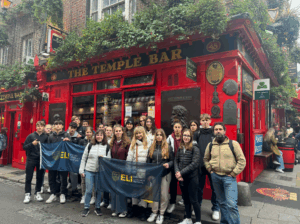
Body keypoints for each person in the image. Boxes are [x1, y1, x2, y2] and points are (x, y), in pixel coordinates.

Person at [203, 122, 246, 224]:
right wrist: (210, 170)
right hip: (215, 177)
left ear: (224, 131)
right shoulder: (210, 145)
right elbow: (205, 159)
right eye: (216, 129)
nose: (218, 131)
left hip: (229, 178)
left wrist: (233, 173)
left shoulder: (233, 144)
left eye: (220, 129)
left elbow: (242, 161)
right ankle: (225, 222)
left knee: (231, 205)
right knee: (222, 203)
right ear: (213, 132)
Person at [193, 114, 220, 221]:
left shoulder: (214, 132)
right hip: (200, 165)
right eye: (203, 120)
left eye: (207, 120)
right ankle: (197, 207)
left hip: (212, 165)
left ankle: (216, 209)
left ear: (210, 120)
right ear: (200, 121)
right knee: (199, 187)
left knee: (214, 187)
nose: (205, 122)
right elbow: (194, 149)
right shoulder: (197, 133)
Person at [79, 129, 111, 217]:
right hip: (89, 170)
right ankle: (86, 207)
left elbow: (109, 159)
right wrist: (81, 170)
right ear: (95, 136)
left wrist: (103, 157)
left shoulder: (107, 146)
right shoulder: (90, 145)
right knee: (88, 190)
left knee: (98, 191)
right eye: (97, 135)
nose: (99, 137)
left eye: (101, 135)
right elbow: (84, 158)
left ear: (103, 136)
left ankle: (97, 207)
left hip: (100, 172)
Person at [147, 129, 174, 224]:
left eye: (160, 135)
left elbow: (172, 161)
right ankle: (154, 212)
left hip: (165, 174)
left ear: (163, 136)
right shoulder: (151, 147)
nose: (158, 136)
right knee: (154, 194)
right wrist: (149, 174)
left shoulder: (168, 147)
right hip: (154, 174)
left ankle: (161, 213)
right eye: (157, 135)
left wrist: (169, 165)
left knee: (164, 194)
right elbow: (148, 162)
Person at [175, 129, 201, 224]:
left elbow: (194, 164)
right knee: (186, 199)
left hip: (192, 178)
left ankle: (198, 221)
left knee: (194, 200)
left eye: (188, 136)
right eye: (184, 135)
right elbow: (176, 160)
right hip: (182, 178)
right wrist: (177, 172)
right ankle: (188, 219)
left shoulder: (195, 148)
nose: (186, 137)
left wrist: (181, 173)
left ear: (191, 137)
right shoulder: (181, 147)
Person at [127, 126, 151, 221]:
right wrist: (129, 170)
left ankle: (143, 211)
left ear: (143, 133)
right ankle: (134, 208)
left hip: (144, 171)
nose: (139, 135)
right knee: (134, 191)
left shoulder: (148, 144)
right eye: (137, 133)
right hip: (135, 171)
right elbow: (129, 158)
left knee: (144, 192)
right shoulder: (133, 145)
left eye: (140, 133)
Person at [46, 120, 71, 204]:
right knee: (51, 177)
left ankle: (62, 194)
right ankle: (53, 193)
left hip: (63, 160)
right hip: (53, 160)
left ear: (62, 126)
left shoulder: (66, 134)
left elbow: (70, 147)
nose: (57, 125)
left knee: (63, 177)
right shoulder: (50, 136)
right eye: (56, 124)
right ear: (54, 126)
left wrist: (68, 141)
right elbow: (48, 148)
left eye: (59, 124)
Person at [23, 121, 48, 203]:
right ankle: (27, 194)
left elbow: (49, 147)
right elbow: (24, 147)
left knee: (39, 177)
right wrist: (32, 144)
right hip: (31, 159)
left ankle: (37, 193)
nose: (40, 127)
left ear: (44, 127)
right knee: (28, 177)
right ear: (36, 127)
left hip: (41, 160)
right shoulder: (31, 136)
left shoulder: (46, 137)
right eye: (38, 126)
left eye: (41, 126)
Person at [109, 124, 131, 218]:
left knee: (121, 190)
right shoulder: (112, 142)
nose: (118, 132)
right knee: (114, 190)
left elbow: (128, 157)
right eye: (116, 131)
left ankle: (123, 210)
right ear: (114, 132)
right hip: (114, 169)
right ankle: (115, 209)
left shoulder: (126, 142)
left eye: (119, 131)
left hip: (123, 169)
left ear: (122, 132)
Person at [166, 122, 183, 213]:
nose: (177, 129)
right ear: (173, 128)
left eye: (178, 127)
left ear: (181, 128)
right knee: (173, 185)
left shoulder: (185, 137)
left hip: (183, 165)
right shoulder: (169, 138)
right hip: (173, 164)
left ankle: (185, 201)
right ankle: (172, 203)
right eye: (175, 127)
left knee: (183, 184)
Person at [79, 126, 95, 204]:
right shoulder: (82, 141)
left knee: (92, 181)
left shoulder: (94, 141)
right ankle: (83, 195)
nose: (88, 134)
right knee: (83, 180)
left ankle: (93, 196)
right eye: (87, 132)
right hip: (84, 162)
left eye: (90, 132)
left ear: (92, 133)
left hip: (92, 162)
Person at [67, 122, 82, 198]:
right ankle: (61, 191)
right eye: (71, 127)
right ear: (68, 127)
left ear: (76, 129)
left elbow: (78, 147)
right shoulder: (64, 134)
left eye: (73, 128)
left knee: (74, 174)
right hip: (65, 157)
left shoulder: (78, 136)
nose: (72, 129)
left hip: (73, 158)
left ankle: (74, 190)